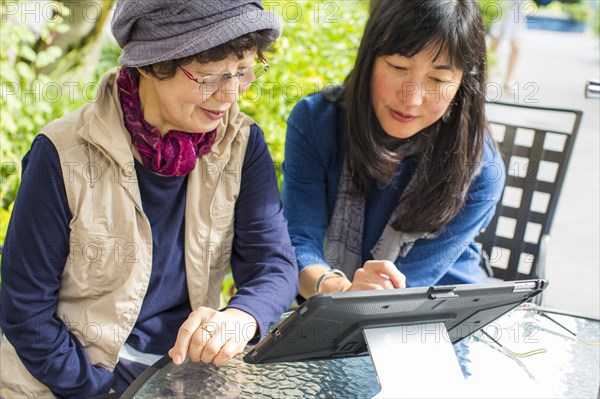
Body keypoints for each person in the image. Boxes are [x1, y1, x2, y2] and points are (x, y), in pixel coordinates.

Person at [0, 1, 298, 397]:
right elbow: (25, 311)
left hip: (185, 376)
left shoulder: (241, 143)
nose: (229, 95)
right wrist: (100, 391)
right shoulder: (61, 152)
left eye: (242, 72)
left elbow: (273, 263)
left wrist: (242, 317)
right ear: (151, 64)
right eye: (211, 78)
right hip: (71, 380)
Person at [282, 0, 506, 300]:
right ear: (369, 58)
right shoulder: (316, 122)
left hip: (438, 314)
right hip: (323, 306)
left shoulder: (479, 171)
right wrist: (340, 290)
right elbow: (298, 240)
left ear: (463, 85)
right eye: (398, 67)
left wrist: (354, 300)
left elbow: (405, 295)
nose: (411, 99)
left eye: (438, 79)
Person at [489, 0, 529, 89]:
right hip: (502, 7)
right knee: (494, 44)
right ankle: (488, 76)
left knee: (516, 47)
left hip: (518, 12)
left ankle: (508, 80)